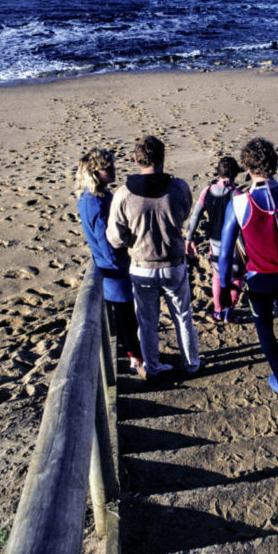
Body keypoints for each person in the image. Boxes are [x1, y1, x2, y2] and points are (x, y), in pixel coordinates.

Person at [218, 137, 278, 398]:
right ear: (274, 163)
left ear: (246, 167)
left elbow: (225, 253)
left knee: (264, 326)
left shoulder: (239, 203)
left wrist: (225, 289)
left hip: (260, 278)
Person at [106, 135, 201, 380]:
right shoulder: (178, 187)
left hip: (142, 266)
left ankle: (152, 365)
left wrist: (133, 239)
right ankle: (191, 363)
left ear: (136, 160)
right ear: (162, 159)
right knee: (182, 316)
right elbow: (184, 213)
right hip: (173, 263)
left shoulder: (124, 194)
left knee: (147, 322)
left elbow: (115, 237)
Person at [75, 148, 146, 378]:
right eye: (108, 168)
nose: (113, 170)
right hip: (114, 270)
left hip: (110, 267)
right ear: (96, 172)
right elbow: (104, 240)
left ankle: (135, 356)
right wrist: (123, 258)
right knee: (127, 318)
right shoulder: (95, 202)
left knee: (124, 316)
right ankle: (136, 360)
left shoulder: (92, 197)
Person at [185, 155, 245, 323]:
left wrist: (189, 238)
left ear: (218, 172)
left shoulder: (207, 192)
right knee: (237, 277)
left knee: (217, 277)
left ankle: (218, 311)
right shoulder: (237, 194)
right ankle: (229, 312)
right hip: (234, 244)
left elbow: (195, 216)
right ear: (235, 174)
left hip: (215, 242)